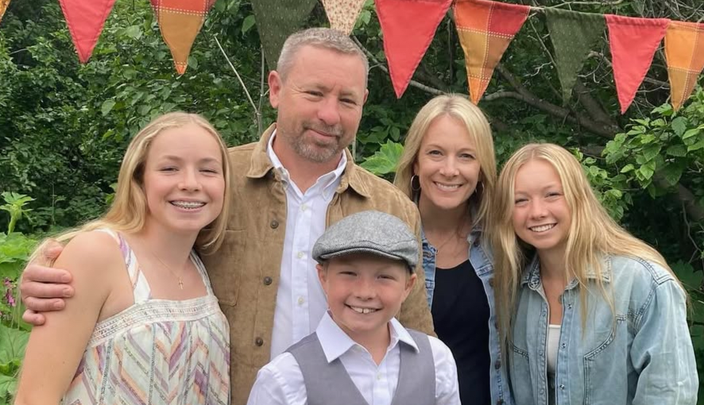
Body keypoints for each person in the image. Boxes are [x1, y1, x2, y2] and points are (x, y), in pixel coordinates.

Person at [18, 28, 434, 404]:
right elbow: (132, 243)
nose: (329, 114)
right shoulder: (214, 181)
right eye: (314, 93)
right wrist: (53, 270)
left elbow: (415, 341)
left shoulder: (392, 208)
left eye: (346, 100)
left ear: (363, 103)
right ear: (276, 88)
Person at [13, 112, 232, 405]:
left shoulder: (203, 264)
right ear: (139, 178)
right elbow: (34, 397)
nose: (190, 183)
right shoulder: (98, 254)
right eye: (169, 168)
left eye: (208, 170)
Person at [492, 143, 698, 405]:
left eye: (552, 195)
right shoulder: (512, 288)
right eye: (520, 200)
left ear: (579, 197)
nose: (537, 212)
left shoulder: (642, 282)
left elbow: (670, 395)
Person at [247, 210, 460, 405]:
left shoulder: (436, 360)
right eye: (349, 274)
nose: (365, 292)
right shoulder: (284, 379)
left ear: (407, 286)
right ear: (323, 277)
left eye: (384, 277)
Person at [394, 94, 512, 405]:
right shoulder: (385, 240)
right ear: (415, 162)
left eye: (466, 156)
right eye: (436, 153)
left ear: (482, 168)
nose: (450, 170)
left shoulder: (505, 241)